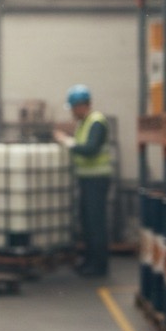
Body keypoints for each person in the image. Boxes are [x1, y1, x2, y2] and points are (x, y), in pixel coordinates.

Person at [54, 83, 112, 277]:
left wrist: (66, 142)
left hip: (97, 179)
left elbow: (90, 149)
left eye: (72, 107)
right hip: (86, 179)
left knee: (95, 223)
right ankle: (88, 261)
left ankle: (98, 265)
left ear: (80, 105)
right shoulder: (84, 122)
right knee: (87, 222)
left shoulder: (96, 122)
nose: (71, 112)